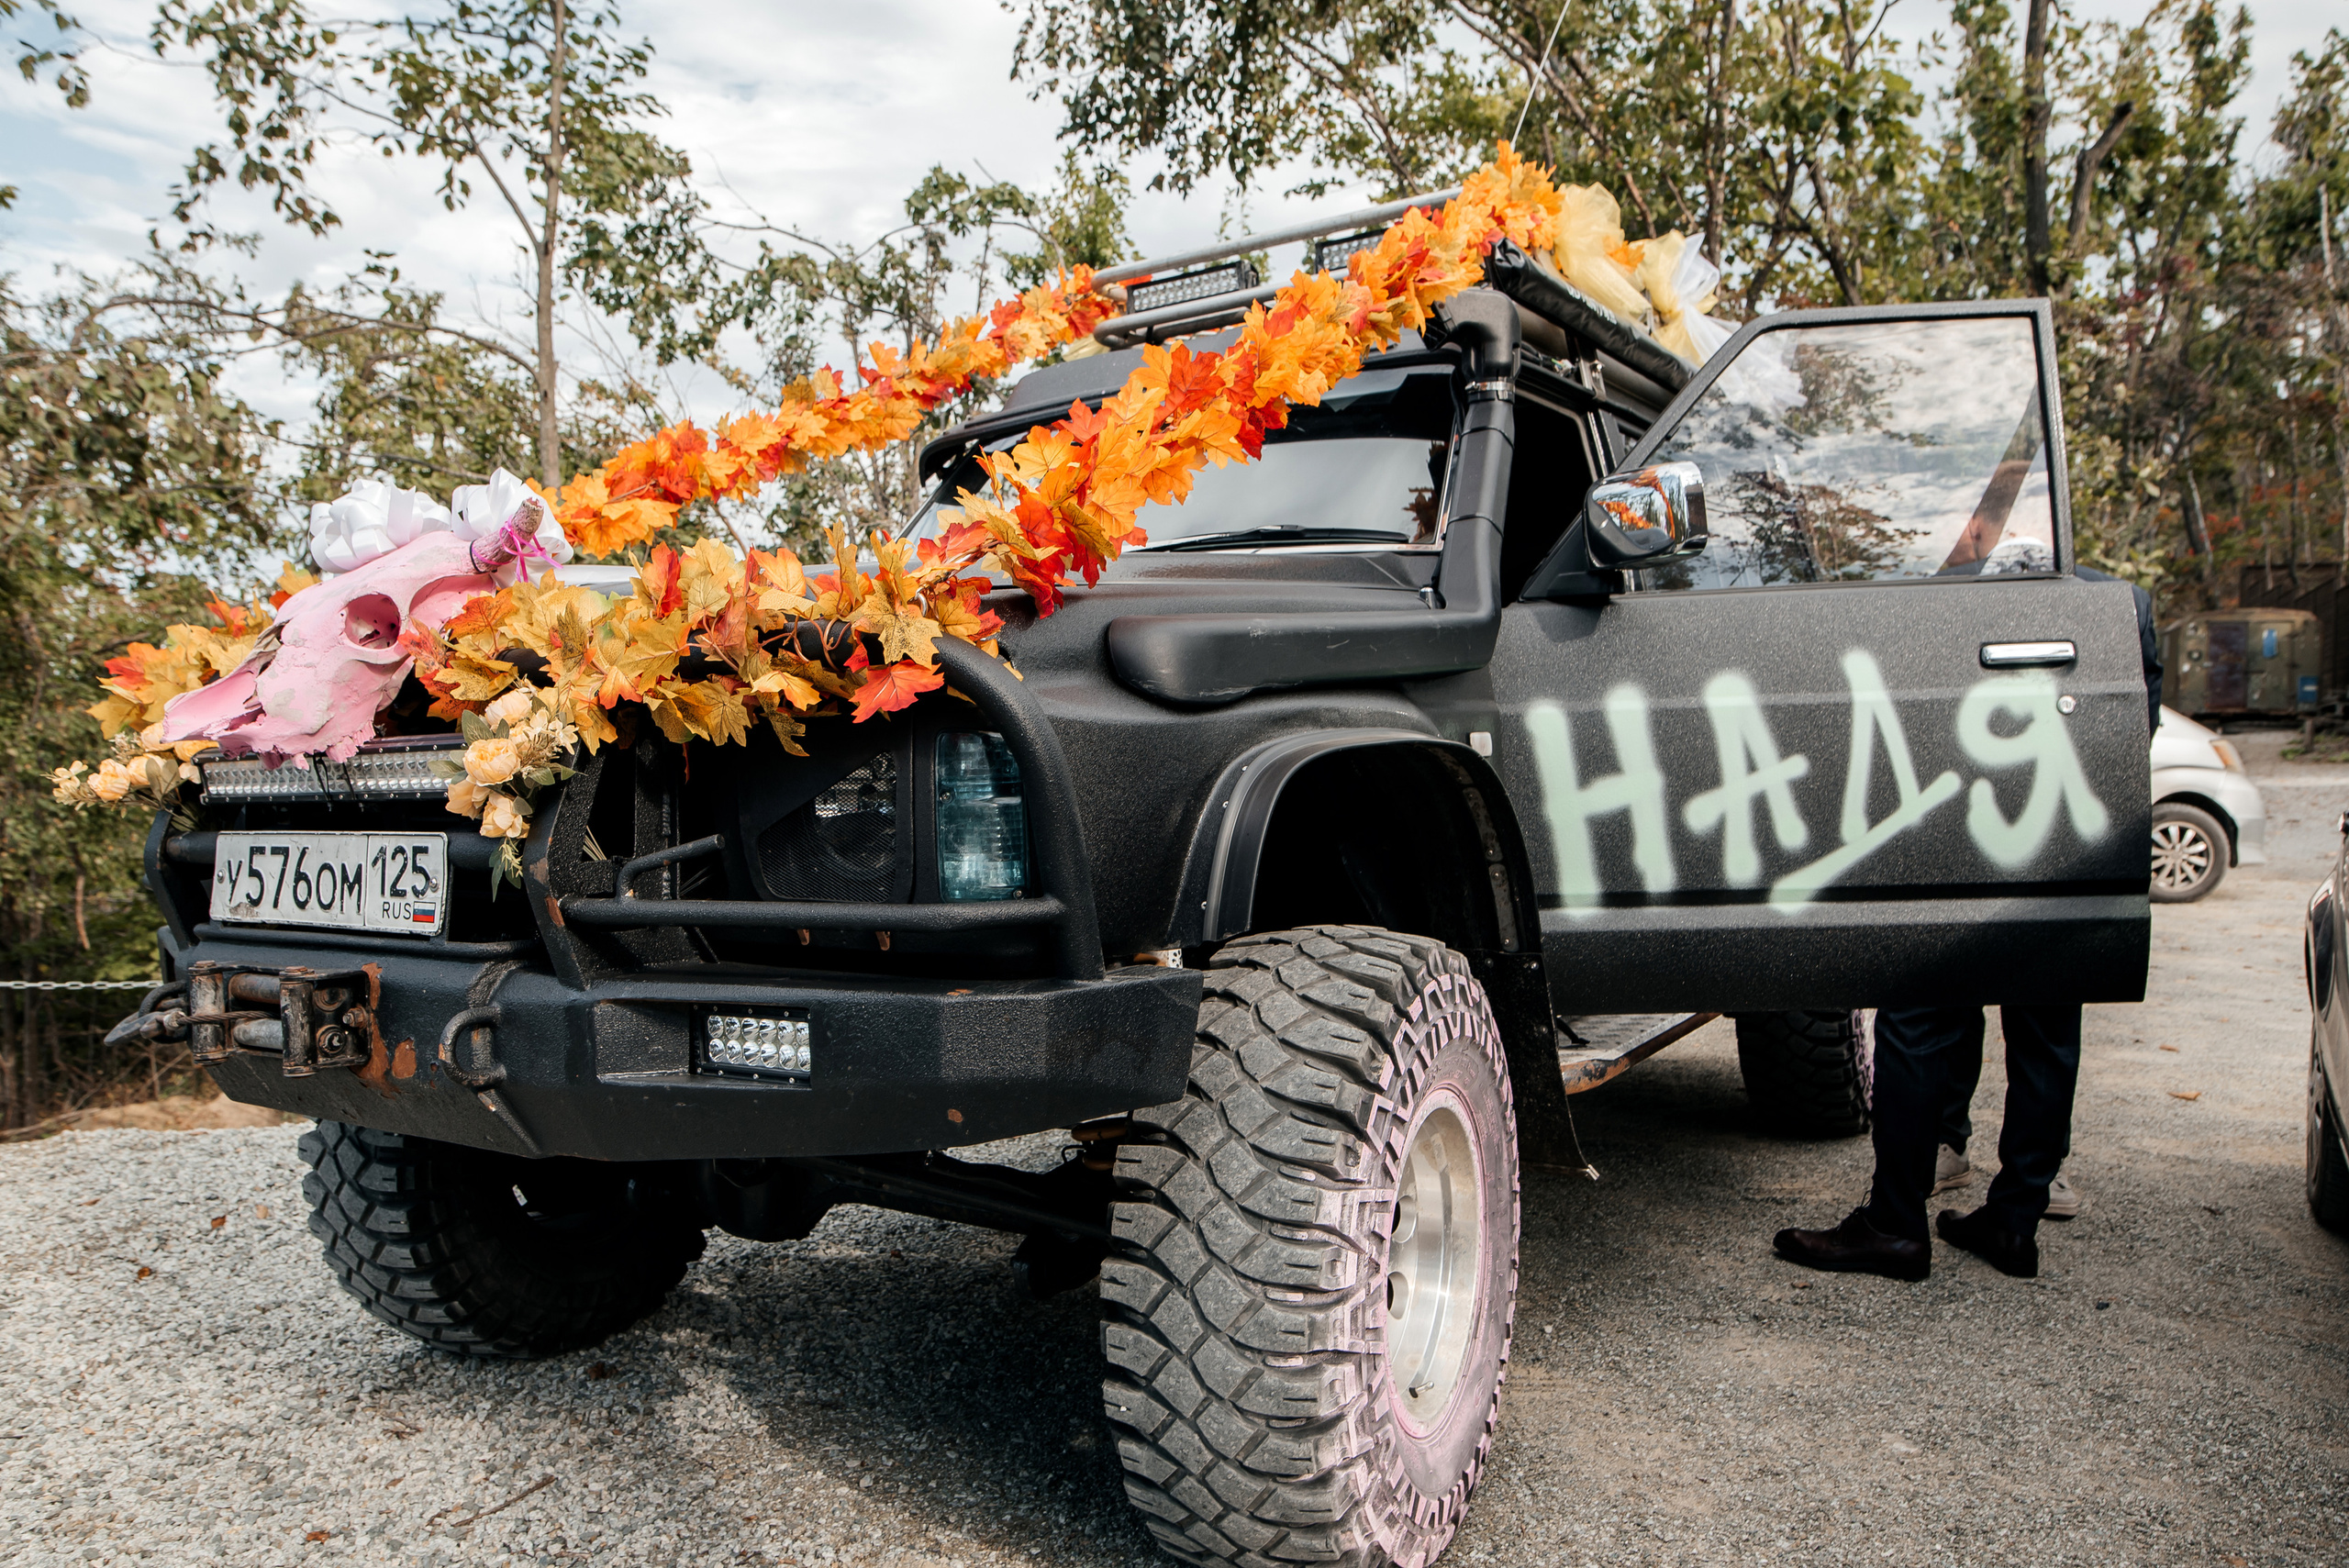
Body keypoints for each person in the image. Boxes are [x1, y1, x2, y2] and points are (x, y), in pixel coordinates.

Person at [1774, 550, 2157, 1281]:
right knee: (2048, 1028)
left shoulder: (1936, 590)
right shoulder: (2116, 603)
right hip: (2065, 830)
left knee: (1918, 1015)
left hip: (1951, 826)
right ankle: (2014, 1221)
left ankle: (1895, 1223)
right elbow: (2137, 728)